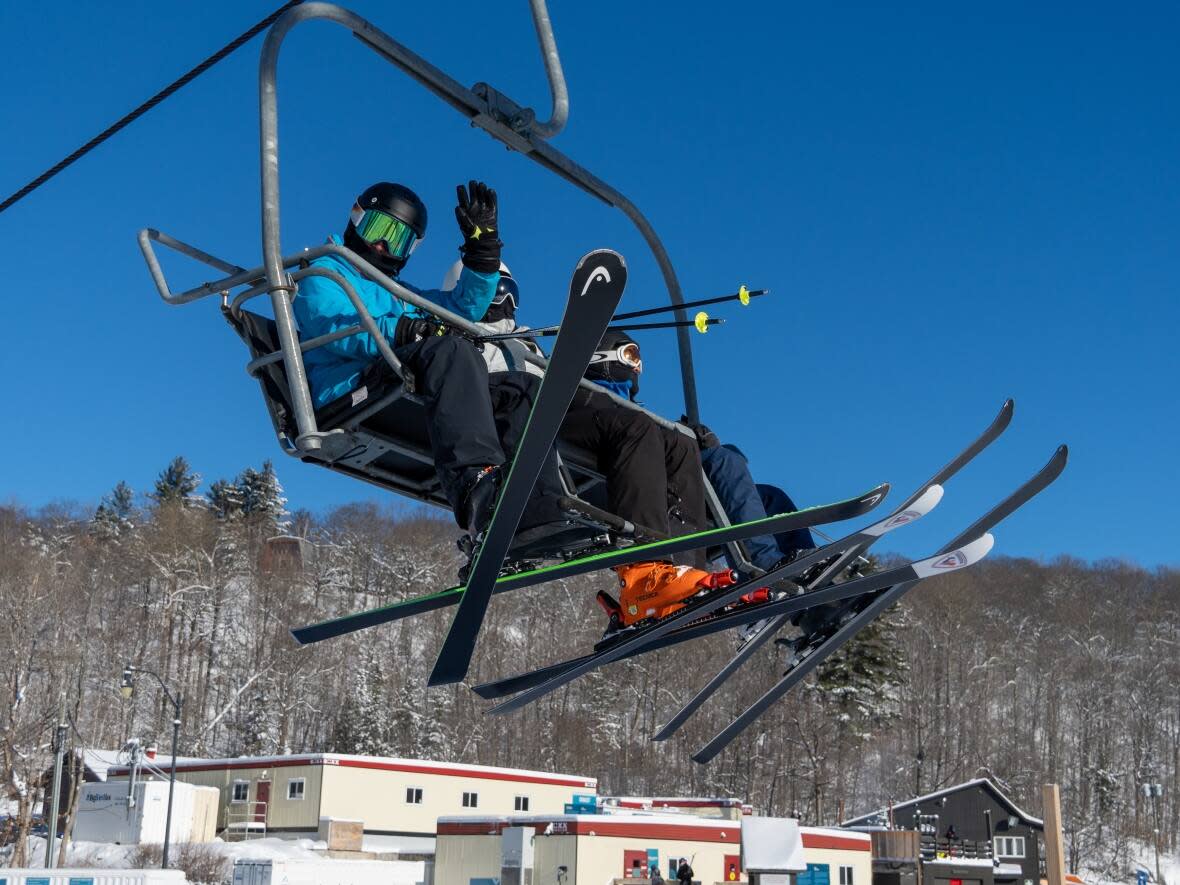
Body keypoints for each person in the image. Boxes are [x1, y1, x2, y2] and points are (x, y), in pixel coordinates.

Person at [451, 267, 738, 632]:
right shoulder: (456, 336)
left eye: (510, 294)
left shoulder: (528, 341)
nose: (505, 304)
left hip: (546, 410)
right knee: (637, 426)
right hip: (525, 411)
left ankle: (681, 573)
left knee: (680, 441)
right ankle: (642, 573)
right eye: (496, 294)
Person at [292, 180, 565, 543]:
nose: (383, 244)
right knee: (452, 350)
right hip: (349, 387)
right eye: (378, 228)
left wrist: (482, 253)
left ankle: (540, 508)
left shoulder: (400, 294)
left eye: (399, 238)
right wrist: (405, 331)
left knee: (520, 389)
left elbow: (463, 309)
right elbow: (336, 324)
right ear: (356, 219)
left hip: (392, 377)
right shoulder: (324, 273)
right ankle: (476, 487)